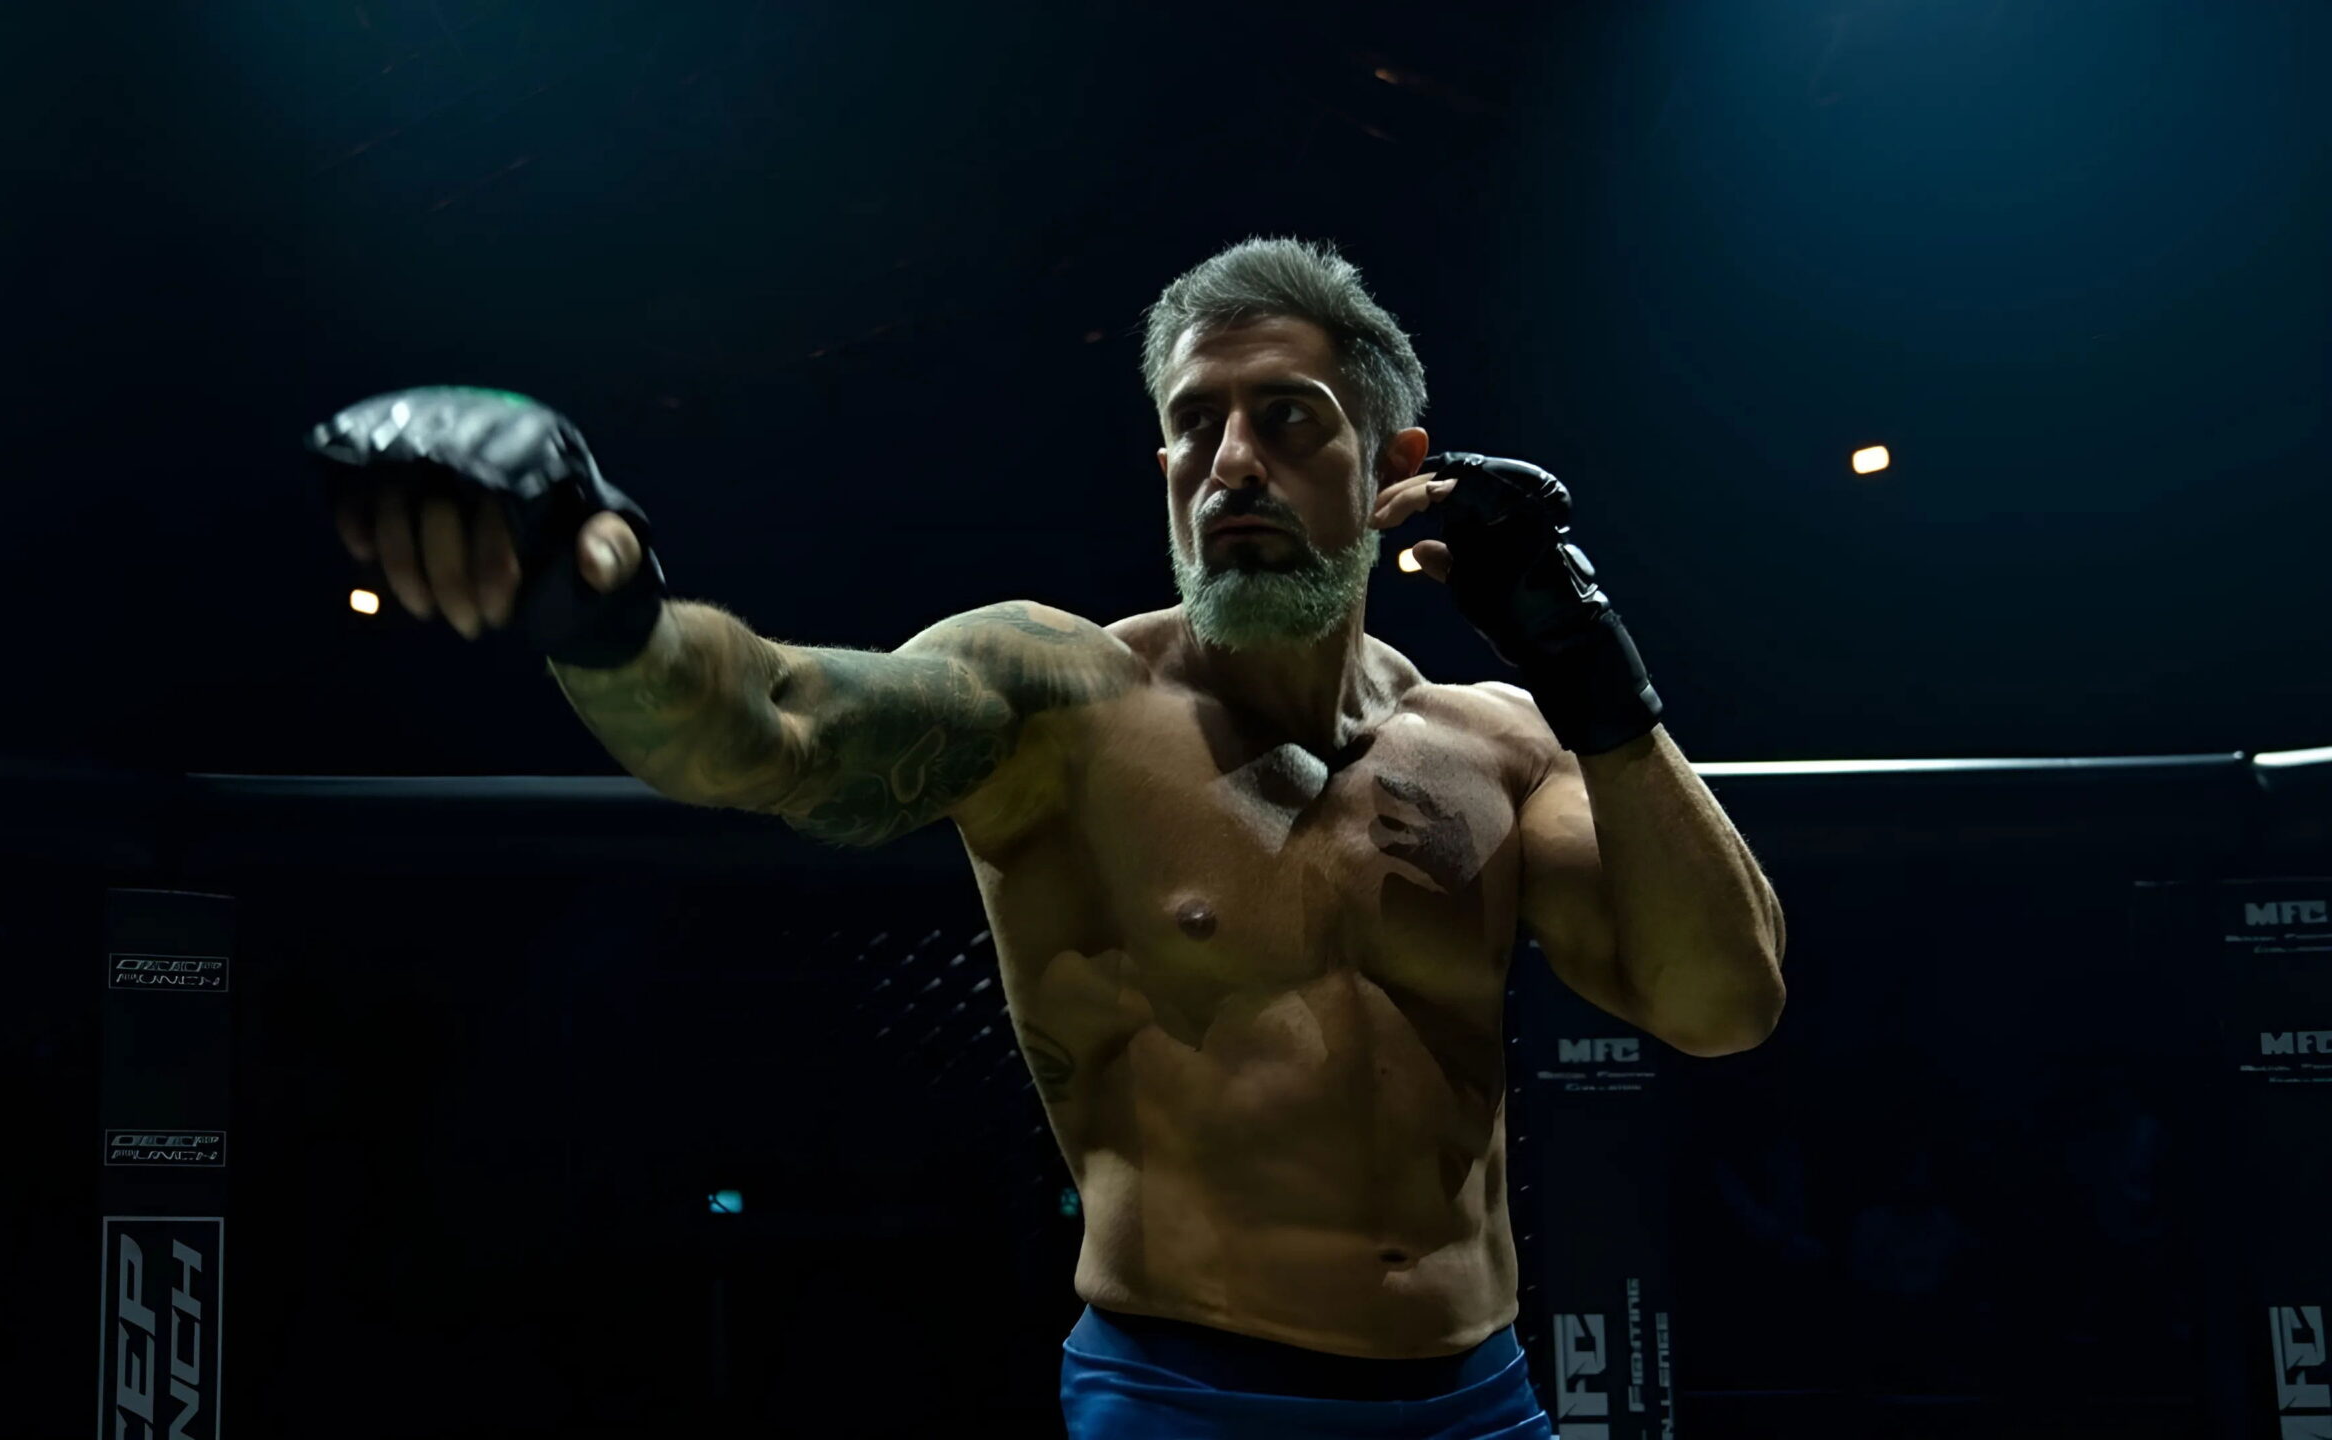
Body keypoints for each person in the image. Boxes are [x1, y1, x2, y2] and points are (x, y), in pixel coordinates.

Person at [322, 236, 1788, 1438]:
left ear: (1395, 462)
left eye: (1286, 418)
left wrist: (1593, 674)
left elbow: (1722, 1002)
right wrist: (603, 608)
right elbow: (772, 722)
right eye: (1195, 424)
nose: (1230, 462)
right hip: (1192, 1400)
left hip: (1480, 1401)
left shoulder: (1501, 743)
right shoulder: (1061, 697)